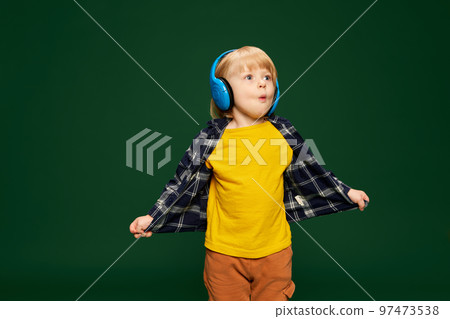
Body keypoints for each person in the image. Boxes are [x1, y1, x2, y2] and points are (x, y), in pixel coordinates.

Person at [129, 46, 370, 301]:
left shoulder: (283, 132)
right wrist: (153, 216)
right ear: (223, 91)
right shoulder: (210, 139)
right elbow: (181, 183)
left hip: (275, 252)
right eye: (249, 78)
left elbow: (312, 170)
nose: (262, 85)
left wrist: (346, 192)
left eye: (267, 78)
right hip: (223, 255)